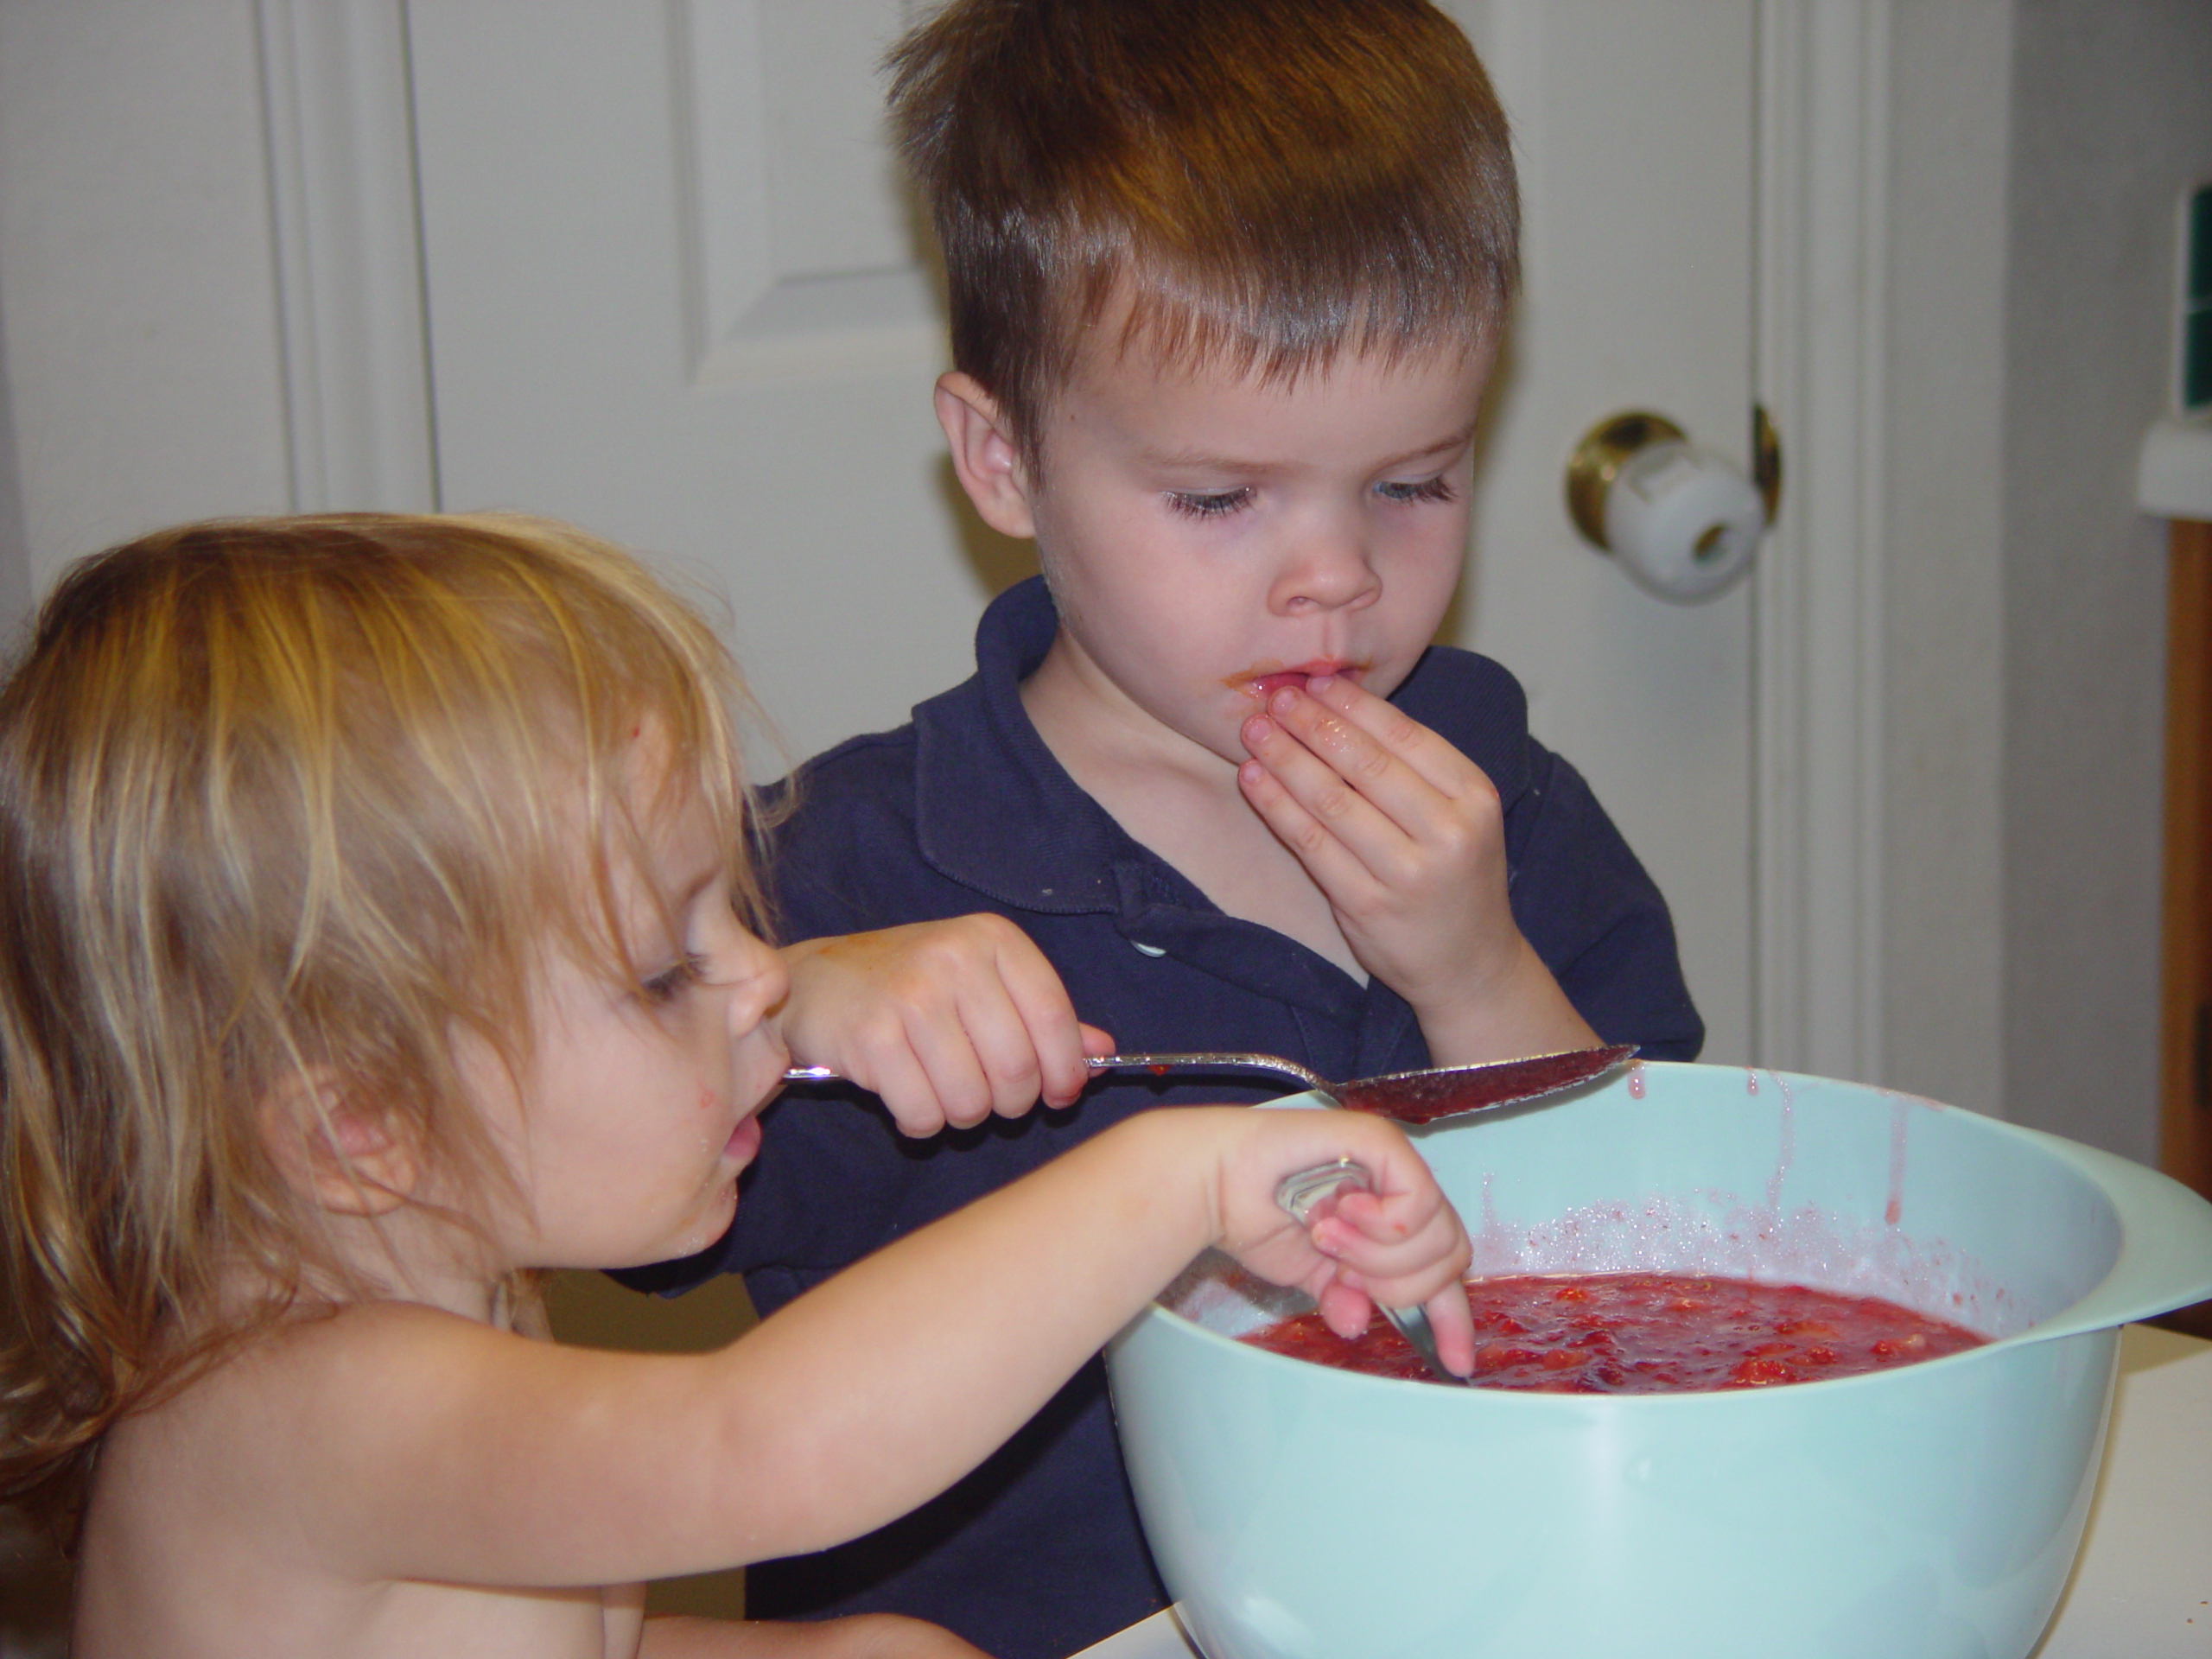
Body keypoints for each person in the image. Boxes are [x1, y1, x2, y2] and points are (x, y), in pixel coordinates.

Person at [636, 1, 1708, 1654]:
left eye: (1414, 483)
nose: (1336, 577)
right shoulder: (844, 869)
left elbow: (1660, 1272)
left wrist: (1475, 968)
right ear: (1003, 459)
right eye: (1221, 499)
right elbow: (566, 1192)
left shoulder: (1499, 805)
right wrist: (784, 1015)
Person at [0, 512, 1478, 1659]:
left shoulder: (438, 1291)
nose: (765, 974)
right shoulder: (306, 1405)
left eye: (734, 916)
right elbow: (769, 1446)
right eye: (662, 971)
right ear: (357, 1125)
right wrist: (1175, 1177)